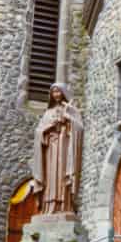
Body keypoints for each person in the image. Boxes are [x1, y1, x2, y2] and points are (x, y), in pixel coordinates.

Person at [31, 82, 84, 215]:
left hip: (65, 146)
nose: (56, 94)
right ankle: (48, 206)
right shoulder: (48, 113)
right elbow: (38, 132)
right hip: (51, 148)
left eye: (59, 91)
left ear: (64, 93)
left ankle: (65, 205)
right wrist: (50, 126)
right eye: (54, 92)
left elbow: (79, 128)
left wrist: (68, 118)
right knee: (51, 176)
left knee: (62, 174)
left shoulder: (70, 109)